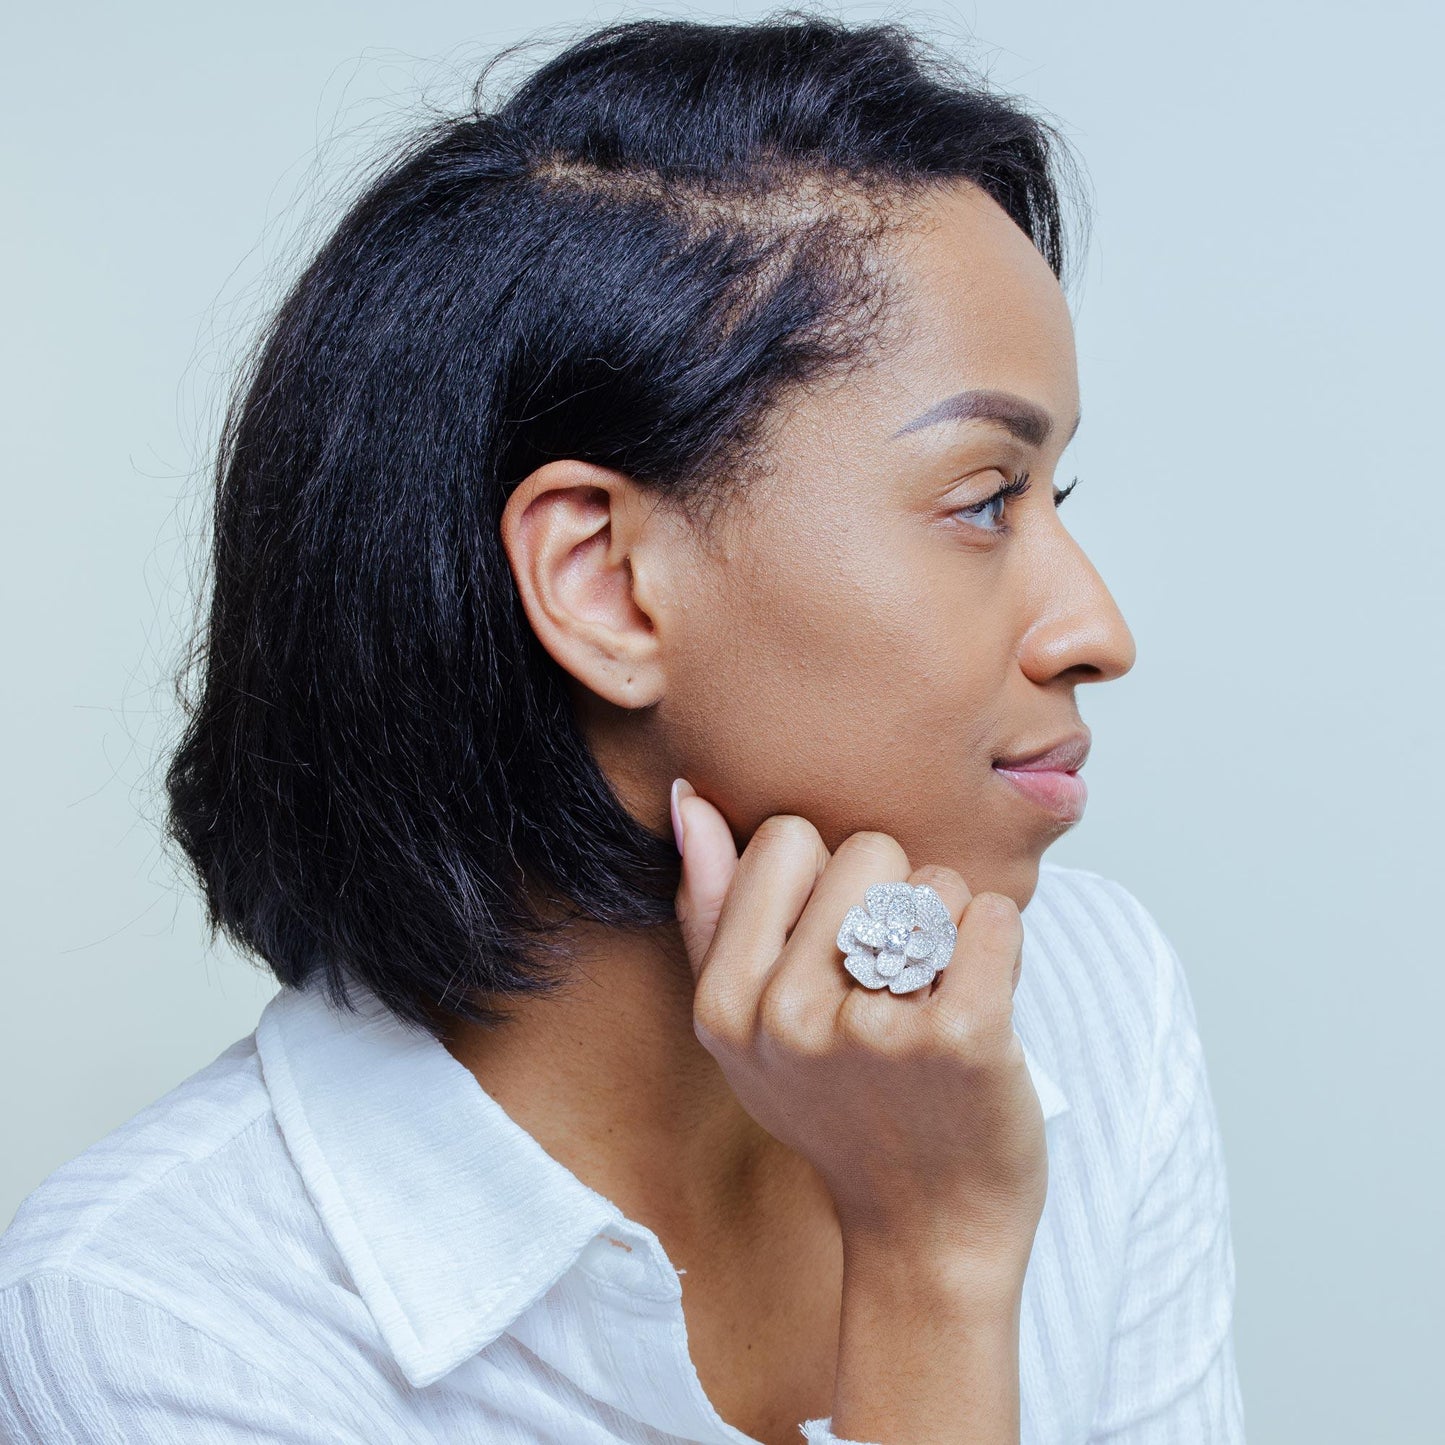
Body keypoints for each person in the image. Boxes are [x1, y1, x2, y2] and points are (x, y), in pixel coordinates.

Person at [0, 12, 1246, 1443]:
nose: (1097, 630)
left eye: (1054, 501)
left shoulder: (1084, 996)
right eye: (982, 501)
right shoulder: (156, 1319)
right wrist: (930, 1262)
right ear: (603, 583)